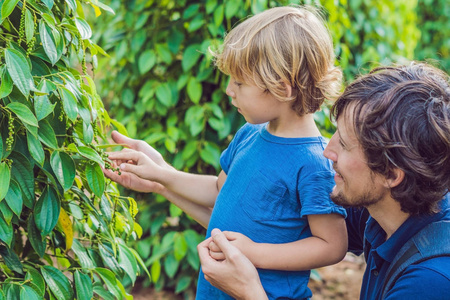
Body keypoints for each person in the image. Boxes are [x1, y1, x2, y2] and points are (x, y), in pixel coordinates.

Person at [105, 6, 348, 300]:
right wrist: (162, 176)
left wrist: (255, 253)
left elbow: (332, 245)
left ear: (283, 89)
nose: (229, 90)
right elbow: (219, 192)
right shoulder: (249, 134)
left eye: (240, 82)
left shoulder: (315, 163)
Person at [197, 61, 450, 300]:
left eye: (346, 145)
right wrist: (162, 179)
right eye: (336, 132)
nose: (327, 151)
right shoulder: (384, 211)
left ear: (392, 175)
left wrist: (248, 291)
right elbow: (260, 227)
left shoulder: (428, 283)